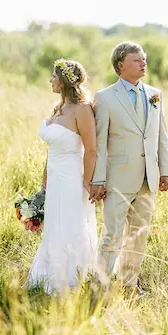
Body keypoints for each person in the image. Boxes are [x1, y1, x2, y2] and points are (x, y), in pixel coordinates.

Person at [90, 41, 168, 295]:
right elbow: (100, 142)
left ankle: (129, 285)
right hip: (117, 178)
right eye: (137, 60)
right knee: (112, 234)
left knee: (139, 235)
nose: (143, 63)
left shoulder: (155, 94)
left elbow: (161, 135)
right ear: (120, 66)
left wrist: (165, 169)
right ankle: (99, 285)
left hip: (148, 177)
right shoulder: (104, 98)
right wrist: (98, 179)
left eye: (144, 59)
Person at [25, 58, 98, 295]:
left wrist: (88, 182)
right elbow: (52, 148)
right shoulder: (58, 108)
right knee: (54, 224)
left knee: (71, 223)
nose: (50, 80)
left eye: (54, 76)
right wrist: (45, 178)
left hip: (72, 178)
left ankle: (73, 277)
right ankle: (49, 272)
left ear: (64, 81)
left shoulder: (83, 109)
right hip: (55, 178)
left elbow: (91, 149)